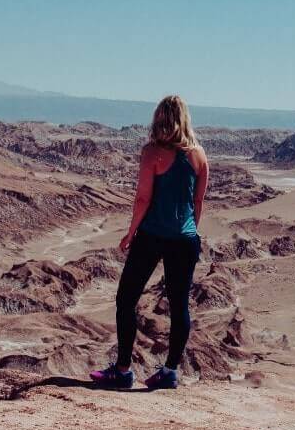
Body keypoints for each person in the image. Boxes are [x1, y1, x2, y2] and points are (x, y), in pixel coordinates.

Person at [90, 95, 209, 390]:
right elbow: (198, 202)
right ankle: (169, 372)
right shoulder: (200, 155)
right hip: (186, 239)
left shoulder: (152, 153)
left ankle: (123, 371)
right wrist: (190, 231)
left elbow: (143, 198)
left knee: (126, 299)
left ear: (159, 118)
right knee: (180, 306)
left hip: (152, 236)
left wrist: (131, 233)